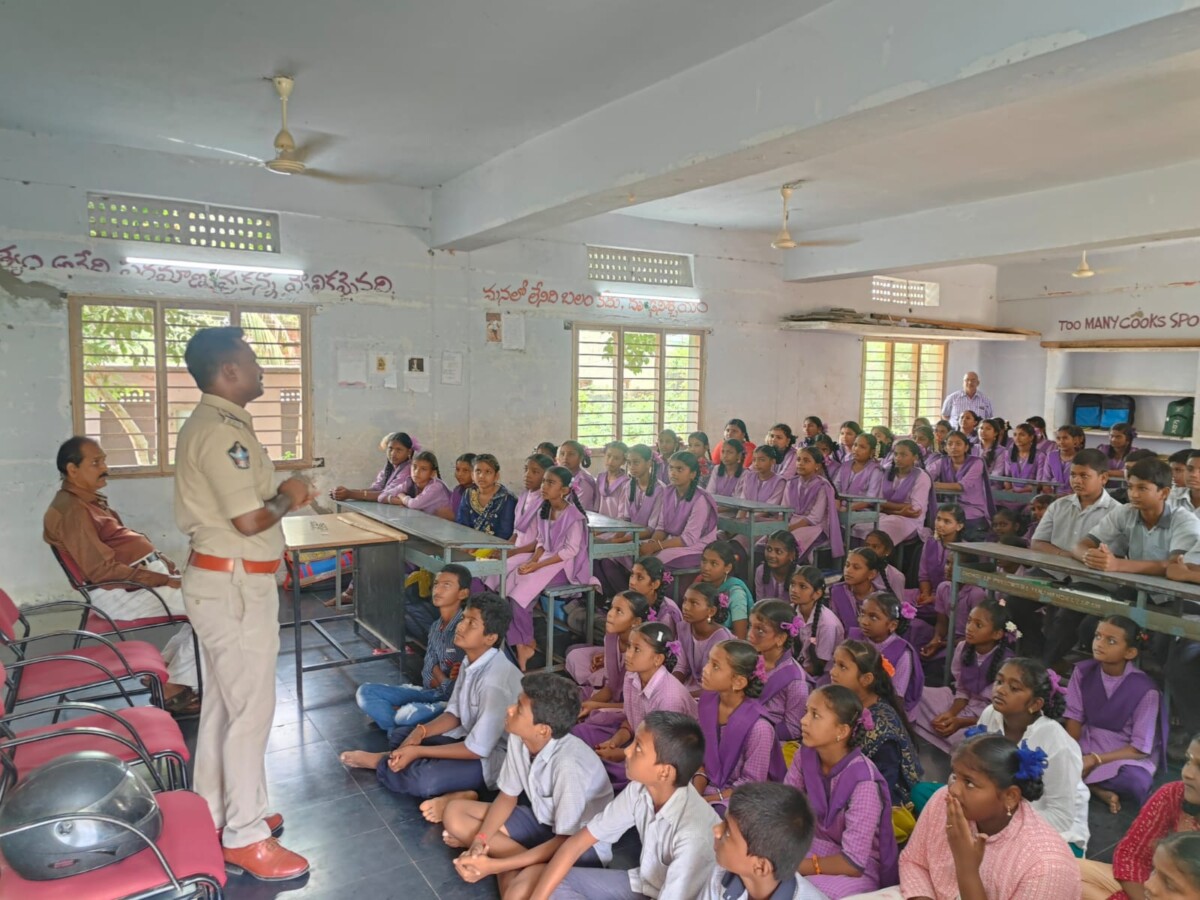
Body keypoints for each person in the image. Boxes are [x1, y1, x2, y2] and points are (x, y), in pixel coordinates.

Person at [173, 326, 317, 879]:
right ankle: (246, 834)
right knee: (252, 709)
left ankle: (214, 811)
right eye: (252, 360)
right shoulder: (218, 432)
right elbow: (251, 519)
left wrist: (278, 491)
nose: (260, 369)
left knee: (225, 706)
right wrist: (292, 494)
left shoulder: (223, 425)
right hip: (232, 588)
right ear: (227, 371)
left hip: (228, 581)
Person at [43, 436, 199, 711]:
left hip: (131, 584)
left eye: (103, 460)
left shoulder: (87, 502)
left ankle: (162, 674)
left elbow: (124, 543)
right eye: (96, 462)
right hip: (117, 593)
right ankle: (174, 686)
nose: (105, 467)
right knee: (215, 609)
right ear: (72, 469)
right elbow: (103, 571)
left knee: (207, 607)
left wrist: (161, 563)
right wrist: (165, 579)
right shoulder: (72, 511)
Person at [339, 593, 524, 807]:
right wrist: (420, 732)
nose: (461, 626)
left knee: (423, 780)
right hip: (469, 738)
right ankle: (433, 773)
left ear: (490, 637)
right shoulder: (470, 662)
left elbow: (477, 750)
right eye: (463, 618)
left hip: (494, 757)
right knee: (404, 734)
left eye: (471, 623)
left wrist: (418, 749)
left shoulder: (495, 681)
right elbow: (454, 714)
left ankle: (383, 761)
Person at [443, 672, 614, 898]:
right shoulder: (520, 737)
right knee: (455, 812)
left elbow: (565, 840)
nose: (509, 710)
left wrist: (494, 866)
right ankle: (523, 866)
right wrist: (479, 841)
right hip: (543, 821)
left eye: (519, 709)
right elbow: (507, 797)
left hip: (578, 846)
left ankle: (514, 866)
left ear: (542, 729)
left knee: (516, 894)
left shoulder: (568, 765)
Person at [528, 711, 720, 900]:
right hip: (648, 883)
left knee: (536, 883)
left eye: (638, 748)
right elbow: (577, 844)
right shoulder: (639, 790)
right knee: (552, 884)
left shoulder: (693, 835)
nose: (626, 751)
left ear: (664, 772)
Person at [880, 734, 1084, 900]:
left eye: (969, 782)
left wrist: (966, 868)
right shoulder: (945, 801)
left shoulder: (1045, 866)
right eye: (954, 776)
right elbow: (913, 861)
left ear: (1010, 797)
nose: (954, 790)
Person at [784, 685, 899, 898]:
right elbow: (786, 807)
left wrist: (799, 866)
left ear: (842, 731)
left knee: (808, 892)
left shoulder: (864, 781)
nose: (804, 720)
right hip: (808, 844)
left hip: (852, 867)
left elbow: (853, 862)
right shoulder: (805, 755)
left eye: (815, 715)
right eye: (806, 712)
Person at [974, 657, 1091, 855]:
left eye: (1014, 688)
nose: (1000, 690)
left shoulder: (1057, 743)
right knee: (929, 794)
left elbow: (1061, 817)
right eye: (999, 681)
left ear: (1036, 704)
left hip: (1050, 830)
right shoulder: (990, 716)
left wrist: (1001, 820)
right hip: (997, 808)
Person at [1078, 733, 1200, 900]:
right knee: (1061, 869)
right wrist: (1148, 893)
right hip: (1148, 886)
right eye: (1188, 761)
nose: (1188, 773)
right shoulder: (1173, 794)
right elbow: (1130, 855)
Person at [1027, 448, 1121, 664]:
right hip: (1053, 572)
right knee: (1012, 601)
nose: (1077, 481)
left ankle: (1045, 666)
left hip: (1091, 580)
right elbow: (1037, 542)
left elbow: (1111, 555)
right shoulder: (1059, 505)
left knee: (1067, 614)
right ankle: (1037, 649)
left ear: (1103, 478)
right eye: (1073, 475)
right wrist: (1067, 555)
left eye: (1084, 476)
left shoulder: (1117, 512)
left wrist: (1082, 558)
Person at [1065, 614, 1162, 813]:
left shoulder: (1145, 690)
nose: (1099, 644)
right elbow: (1074, 716)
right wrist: (1071, 754)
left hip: (1122, 754)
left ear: (1130, 652)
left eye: (1111, 641)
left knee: (1136, 782)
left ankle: (1084, 784)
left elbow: (1139, 748)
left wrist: (1095, 760)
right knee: (1052, 759)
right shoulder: (1082, 672)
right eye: (1097, 636)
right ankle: (1096, 789)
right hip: (1087, 741)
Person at [581, 622, 697, 787]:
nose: (628, 654)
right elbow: (631, 721)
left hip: (667, 756)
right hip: (640, 743)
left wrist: (621, 754)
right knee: (582, 733)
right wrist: (615, 742)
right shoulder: (631, 676)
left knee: (615, 774)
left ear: (658, 659)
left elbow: (662, 750)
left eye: (637, 650)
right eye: (629, 647)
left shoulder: (669, 697)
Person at [354, 564, 467, 733]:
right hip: (431, 693)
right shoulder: (436, 626)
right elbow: (429, 672)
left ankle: (398, 728)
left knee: (408, 715)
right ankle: (401, 731)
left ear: (463, 593)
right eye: (436, 584)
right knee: (366, 692)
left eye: (447, 585)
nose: (438, 590)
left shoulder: (465, 628)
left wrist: (438, 675)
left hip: (453, 702)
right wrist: (438, 675)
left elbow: (456, 687)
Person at [503, 465, 593, 670]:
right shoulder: (545, 509)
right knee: (511, 580)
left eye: (550, 482)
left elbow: (570, 551)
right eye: (544, 481)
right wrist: (532, 561)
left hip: (565, 566)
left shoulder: (573, 517)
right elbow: (542, 542)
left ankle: (526, 641)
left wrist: (538, 565)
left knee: (520, 593)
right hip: (547, 560)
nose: (544, 486)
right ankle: (521, 642)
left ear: (564, 490)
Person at [695, 640, 786, 813]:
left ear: (738, 682)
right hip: (709, 786)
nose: (705, 669)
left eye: (715, 666)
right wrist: (695, 794)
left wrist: (706, 801)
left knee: (714, 818)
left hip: (743, 797)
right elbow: (703, 759)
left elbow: (750, 786)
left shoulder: (760, 728)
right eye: (709, 661)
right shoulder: (707, 703)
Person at [828, 639, 922, 806]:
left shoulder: (883, 728)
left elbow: (884, 786)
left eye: (842, 667)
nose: (833, 672)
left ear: (866, 679)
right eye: (834, 664)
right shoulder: (848, 702)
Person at [913, 598, 1013, 753]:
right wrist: (950, 714)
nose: (969, 628)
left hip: (987, 719)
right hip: (963, 706)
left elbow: (1001, 715)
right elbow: (962, 691)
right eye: (969, 621)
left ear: (997, 634)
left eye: (978, 625)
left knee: (979, 741)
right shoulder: (962, 648)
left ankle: (953, 739)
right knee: (916, 694)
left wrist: (961, 722)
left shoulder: (1008, 663)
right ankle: (947, 733)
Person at [706, 782, 828, 900]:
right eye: (724, 821)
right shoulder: (721, 876)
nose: (716, 830)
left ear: (761, 867)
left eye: (728, 832)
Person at [567, 591, 648, 738]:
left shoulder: (642, 653)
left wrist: (596, 706)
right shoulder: (611, 636)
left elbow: (638, 707)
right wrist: (585, 706)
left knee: (587, 724)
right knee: (568, 701)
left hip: (631, 710)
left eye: (619, 611)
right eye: (611, 608)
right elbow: (611, 687)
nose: (609, 614)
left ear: (636, 622)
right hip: (615, 699)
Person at [643, 451, 720, 573]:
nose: (673, 473)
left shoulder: (700, 499)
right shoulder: (668, 492)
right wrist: (652, 543)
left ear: (692, 474)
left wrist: (656, 547)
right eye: (671, 468)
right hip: (674, 541)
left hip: (697, 547)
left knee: (657, 560)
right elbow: (662, 527)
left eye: (679, 469)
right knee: (636, 551)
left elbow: (689, 538)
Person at [747, 600, 808, 741]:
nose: (750, 634)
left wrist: (754, 732)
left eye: (760, 630)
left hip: (769, 741)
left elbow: (793, 729)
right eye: (751, 626)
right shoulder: (748, 660)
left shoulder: (796, 680)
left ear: (780, 638)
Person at [853, 592, 923, 713]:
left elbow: (896, 699)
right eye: (862, 613)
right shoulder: (854, 638)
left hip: (882, 709)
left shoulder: (902, 654)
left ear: (892, 625)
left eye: (873, 617)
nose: (864, 621)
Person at [863, 439, 932, 546]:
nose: (898, 458)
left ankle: (875, 559)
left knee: (881, 531)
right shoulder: (886, 471)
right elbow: (878, 502)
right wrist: (899, 510)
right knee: (860, 526)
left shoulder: (921, 476)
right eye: (896, 454)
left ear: (915, 457)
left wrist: (886, 506)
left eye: (903, 455)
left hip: (910, 521)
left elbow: (914, 510)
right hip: (885, 514)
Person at [930, 431, 994, 540]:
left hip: (971, 507)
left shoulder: (977, 462)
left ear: (966, 447)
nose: (954, 447)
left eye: (958, 444)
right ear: (945, 448)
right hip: (948, 504)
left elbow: (961, 486)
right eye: (950, 444)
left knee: (952, 518)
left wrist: (934, 485)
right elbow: (925, 477)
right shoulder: (942, 461)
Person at [784, 446, 843, 563]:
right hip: (791, 523)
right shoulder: (791, 483)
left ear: (817, 465)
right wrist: (783, 525)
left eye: (806, 461)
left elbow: (815, 518)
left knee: (789, 541)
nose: (800, 463)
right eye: (798, 459)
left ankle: (792, 569)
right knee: (771, 537)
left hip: (814, 527)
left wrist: (790, 528)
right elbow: (785, 509)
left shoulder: (822, 486)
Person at [673, 582, 734, 692]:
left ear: (711, 611)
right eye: (685, 600)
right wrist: (671, 687)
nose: (685, 607)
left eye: (694, 603)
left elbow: (719, 683)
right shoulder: (683, 628)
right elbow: (681, 666)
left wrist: (685, 697)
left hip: (713, 692)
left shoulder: (722, 639)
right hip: (690, 687)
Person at [789, 566, 844, 680]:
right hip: (798, 668)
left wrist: (788, 675)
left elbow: (818, 667)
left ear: (817, 594)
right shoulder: (791, 611)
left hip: (824, 676)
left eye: (802, 586)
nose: (794, 590)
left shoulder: (827, 624)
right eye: (792, 584)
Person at [330, 431, 415, 504]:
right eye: (390, 449)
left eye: (399, 450)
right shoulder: (389, 467)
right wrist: (343, 492)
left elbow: (385, 494)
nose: (393, 453)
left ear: (409, 451)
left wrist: (350, 494)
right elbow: (376, 488)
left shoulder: (408, 470)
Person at [698, 540, 753, 638]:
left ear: (727, 568)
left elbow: (740, 638)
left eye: (714, 563)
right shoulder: (700, 583)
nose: (706, 567)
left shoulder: (736, 594)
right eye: (704, 561)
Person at [457, 452, 518, 538]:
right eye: (478, 471)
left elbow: (505, 533)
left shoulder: (507, 499)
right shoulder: (468, 494)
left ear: (496, 476)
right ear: (472, 475)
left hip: (496, 548)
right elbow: (462, 526)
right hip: (468, 544)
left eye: (488, 472)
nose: (481, 476)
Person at [829, 547, 883, 635]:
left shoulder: (881, 597)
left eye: (856, 567)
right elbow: (835, 627)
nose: (848, 570)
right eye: (847, 565)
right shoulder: (837, 591)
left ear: (871, 574)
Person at [387, 450, 453, 518]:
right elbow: (385, 495)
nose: (416, 472)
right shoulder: (410, 483)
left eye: (423, 469)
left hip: (448, 526)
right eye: (414, 467)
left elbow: (414, 504)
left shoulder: (436, 486)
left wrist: (402, 496)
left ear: (432, 473)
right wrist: (401, 501)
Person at [755, 530, 799, 601]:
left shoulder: (799, 575)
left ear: (791, 555)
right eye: (769, 549)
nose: (771, 555)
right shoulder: (761, 571)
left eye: (778, 552)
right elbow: (759, 603)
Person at [558, 441, 598, 511]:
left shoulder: (584, 481)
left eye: (571, 454)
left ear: (581, 457)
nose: (565, 457)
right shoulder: (561, 476)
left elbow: (581, 511)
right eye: (562, 454)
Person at [595, 441, 631, 520]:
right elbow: (596, 506)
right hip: (598, 524)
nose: (611, 461)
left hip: (616, 527)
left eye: (616, 458)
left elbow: (622, 515)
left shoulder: (626, 483)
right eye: (608, 456)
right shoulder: (600, 477)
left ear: (623, 461)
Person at [450, 452, 476, 519]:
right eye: (457, 469)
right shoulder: (457, 490)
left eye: (465, 470)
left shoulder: (480, 494)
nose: (460, 474)